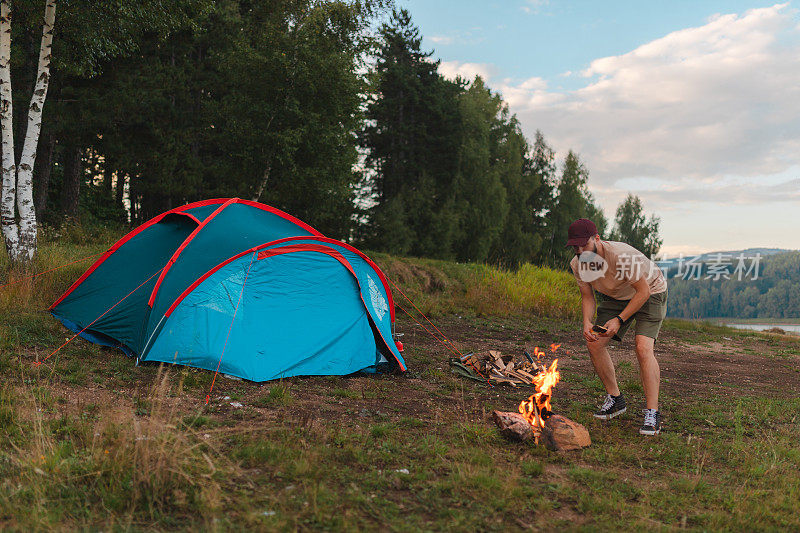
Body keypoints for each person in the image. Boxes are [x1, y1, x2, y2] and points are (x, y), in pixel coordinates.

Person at [566, 218, 668, 435]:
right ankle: (616, 400)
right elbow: (587, 296)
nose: (580, 250)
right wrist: (586, 321)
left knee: (642, 348)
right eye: (575, 246)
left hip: (651, 290)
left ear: (597, 239)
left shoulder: (620, 256)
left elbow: (643, 293)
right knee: (594, 344)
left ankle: (653, 413)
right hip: (618, 296)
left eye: (584, 244)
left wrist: (619, 320)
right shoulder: (578, 264)